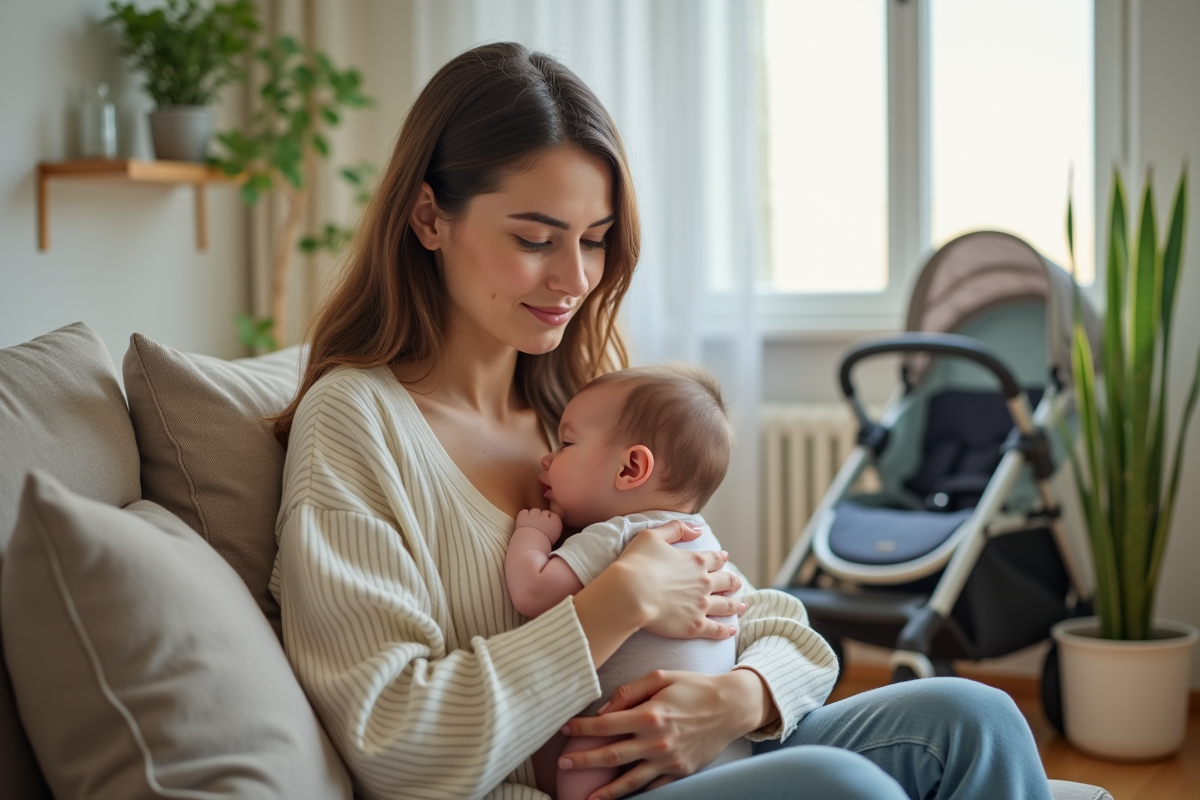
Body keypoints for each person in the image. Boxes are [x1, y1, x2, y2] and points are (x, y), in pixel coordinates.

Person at [269, 41, 1053, 800]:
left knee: (974, 717)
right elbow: (393, 742)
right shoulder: (356, 424)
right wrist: (617, 603)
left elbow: (777, 626)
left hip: (703, 754)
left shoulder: (577, 406)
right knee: (838, 785)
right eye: (535, 238)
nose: (575, 278)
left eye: (596, 241)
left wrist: (735, 701)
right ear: (429, 218)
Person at [503, 365, 744, 800]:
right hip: (722, 747)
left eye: (566, 443)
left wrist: (531, 536)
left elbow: (532, 592)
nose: (547, 458)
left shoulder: (619, 534)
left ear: (631, 467)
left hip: (633, 738)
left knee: (581, 755)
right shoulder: (703, 537)